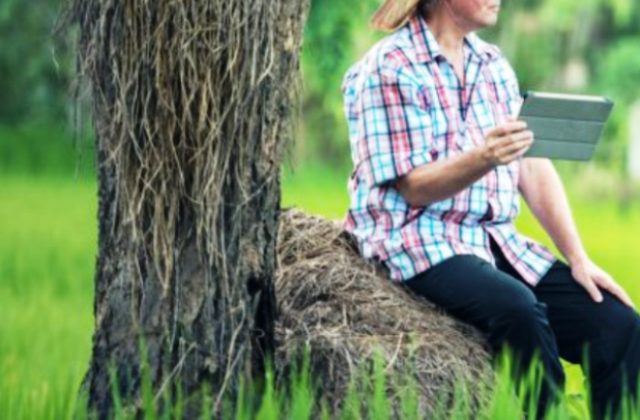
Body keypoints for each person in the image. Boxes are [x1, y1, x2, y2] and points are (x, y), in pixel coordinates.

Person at [341, 0, 640, 418]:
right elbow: (413, 188)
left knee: (617, 324)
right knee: (518, 311)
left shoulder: (492, 64)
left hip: (490, 238)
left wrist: (578, 258)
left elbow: (532, 167)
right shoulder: (388, 68)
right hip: (416, 237)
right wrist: (484, 156)